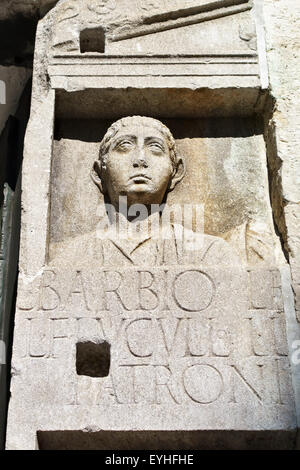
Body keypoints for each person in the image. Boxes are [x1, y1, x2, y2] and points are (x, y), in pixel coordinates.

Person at [51, 116, 239, 267]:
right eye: (124, 146)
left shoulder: (210, 255)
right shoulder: (72, 259)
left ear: (176, 172)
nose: (140, 159)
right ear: (100, 174)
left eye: (155, 148)